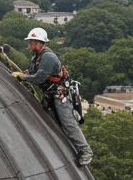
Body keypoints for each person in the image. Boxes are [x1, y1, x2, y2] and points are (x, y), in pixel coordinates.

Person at [12, 27, 93, 166]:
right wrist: (24, 75)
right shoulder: (37, 57)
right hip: (51, 95)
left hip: (61, 95)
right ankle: (65, 147)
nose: (29, 45)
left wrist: (23, 77)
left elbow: (39, 78)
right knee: (52, 122)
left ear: (40, 43)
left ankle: (85, 151)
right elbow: (33, 73)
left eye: (31, 43)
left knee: (68, 123)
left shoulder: (48, 57)